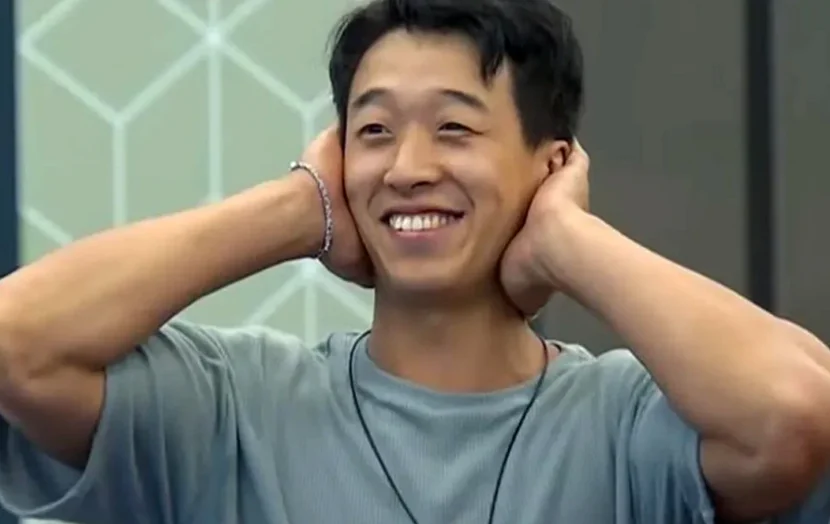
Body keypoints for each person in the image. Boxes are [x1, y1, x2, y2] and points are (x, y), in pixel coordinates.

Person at [0, 0, 828, 522]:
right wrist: (301, 207)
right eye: (374, 131)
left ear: (551, 164)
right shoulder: (231, 410)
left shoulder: (627, 425)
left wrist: (568, 240)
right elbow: (17, 340)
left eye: (455, 128)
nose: (407, 167)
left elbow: (794, 414)